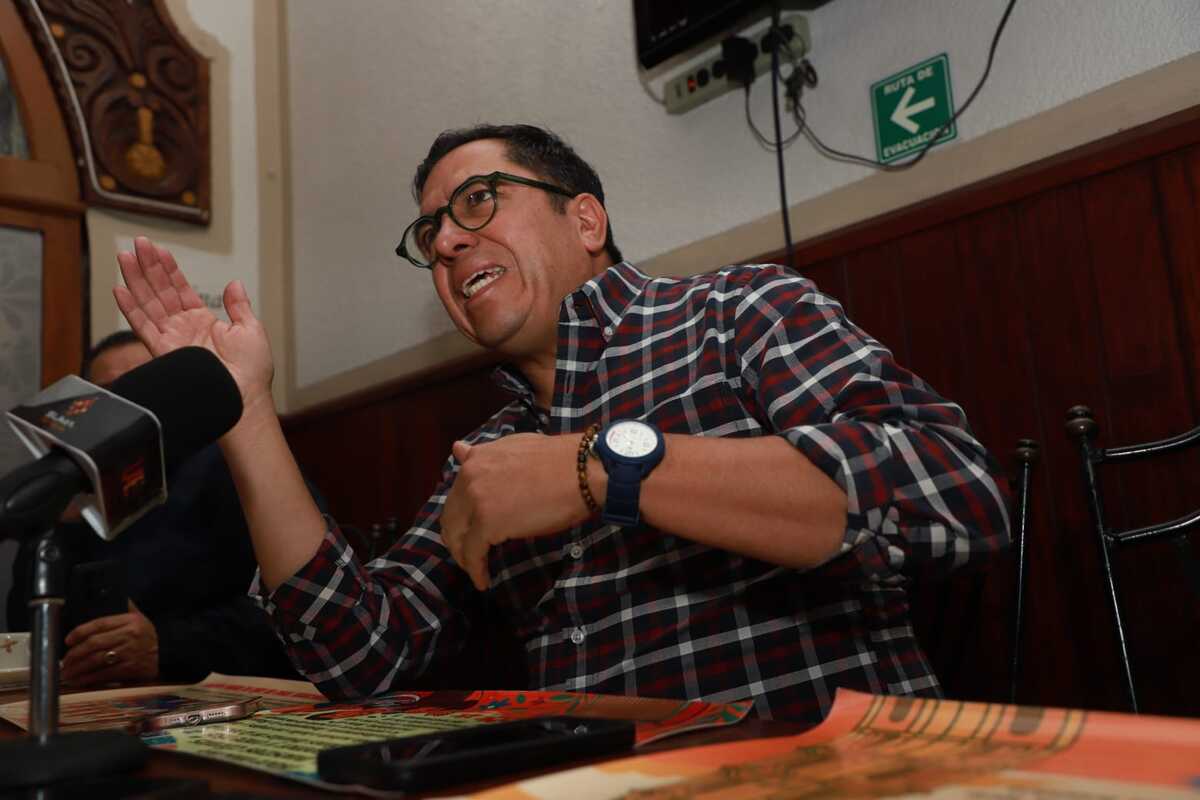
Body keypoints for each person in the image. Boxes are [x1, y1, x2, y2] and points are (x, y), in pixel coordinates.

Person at [112, 124, 1009, 722]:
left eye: (475, 202)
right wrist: (245, 407)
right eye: (430, 236)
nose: (449, 243)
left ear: (585, 218)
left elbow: (958, 499)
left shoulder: (740, 311)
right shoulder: (495, 451)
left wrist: (602, 468)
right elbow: (361, 656)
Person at [7, 331, 310, 686]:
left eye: (141, 392)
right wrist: (61, 524)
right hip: (86, 702)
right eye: (111, 397)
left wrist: (165, 646)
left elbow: (298, 611)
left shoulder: (231, 468)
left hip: (216, 699)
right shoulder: (74, 489)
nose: (125, 415)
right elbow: (22, 627)